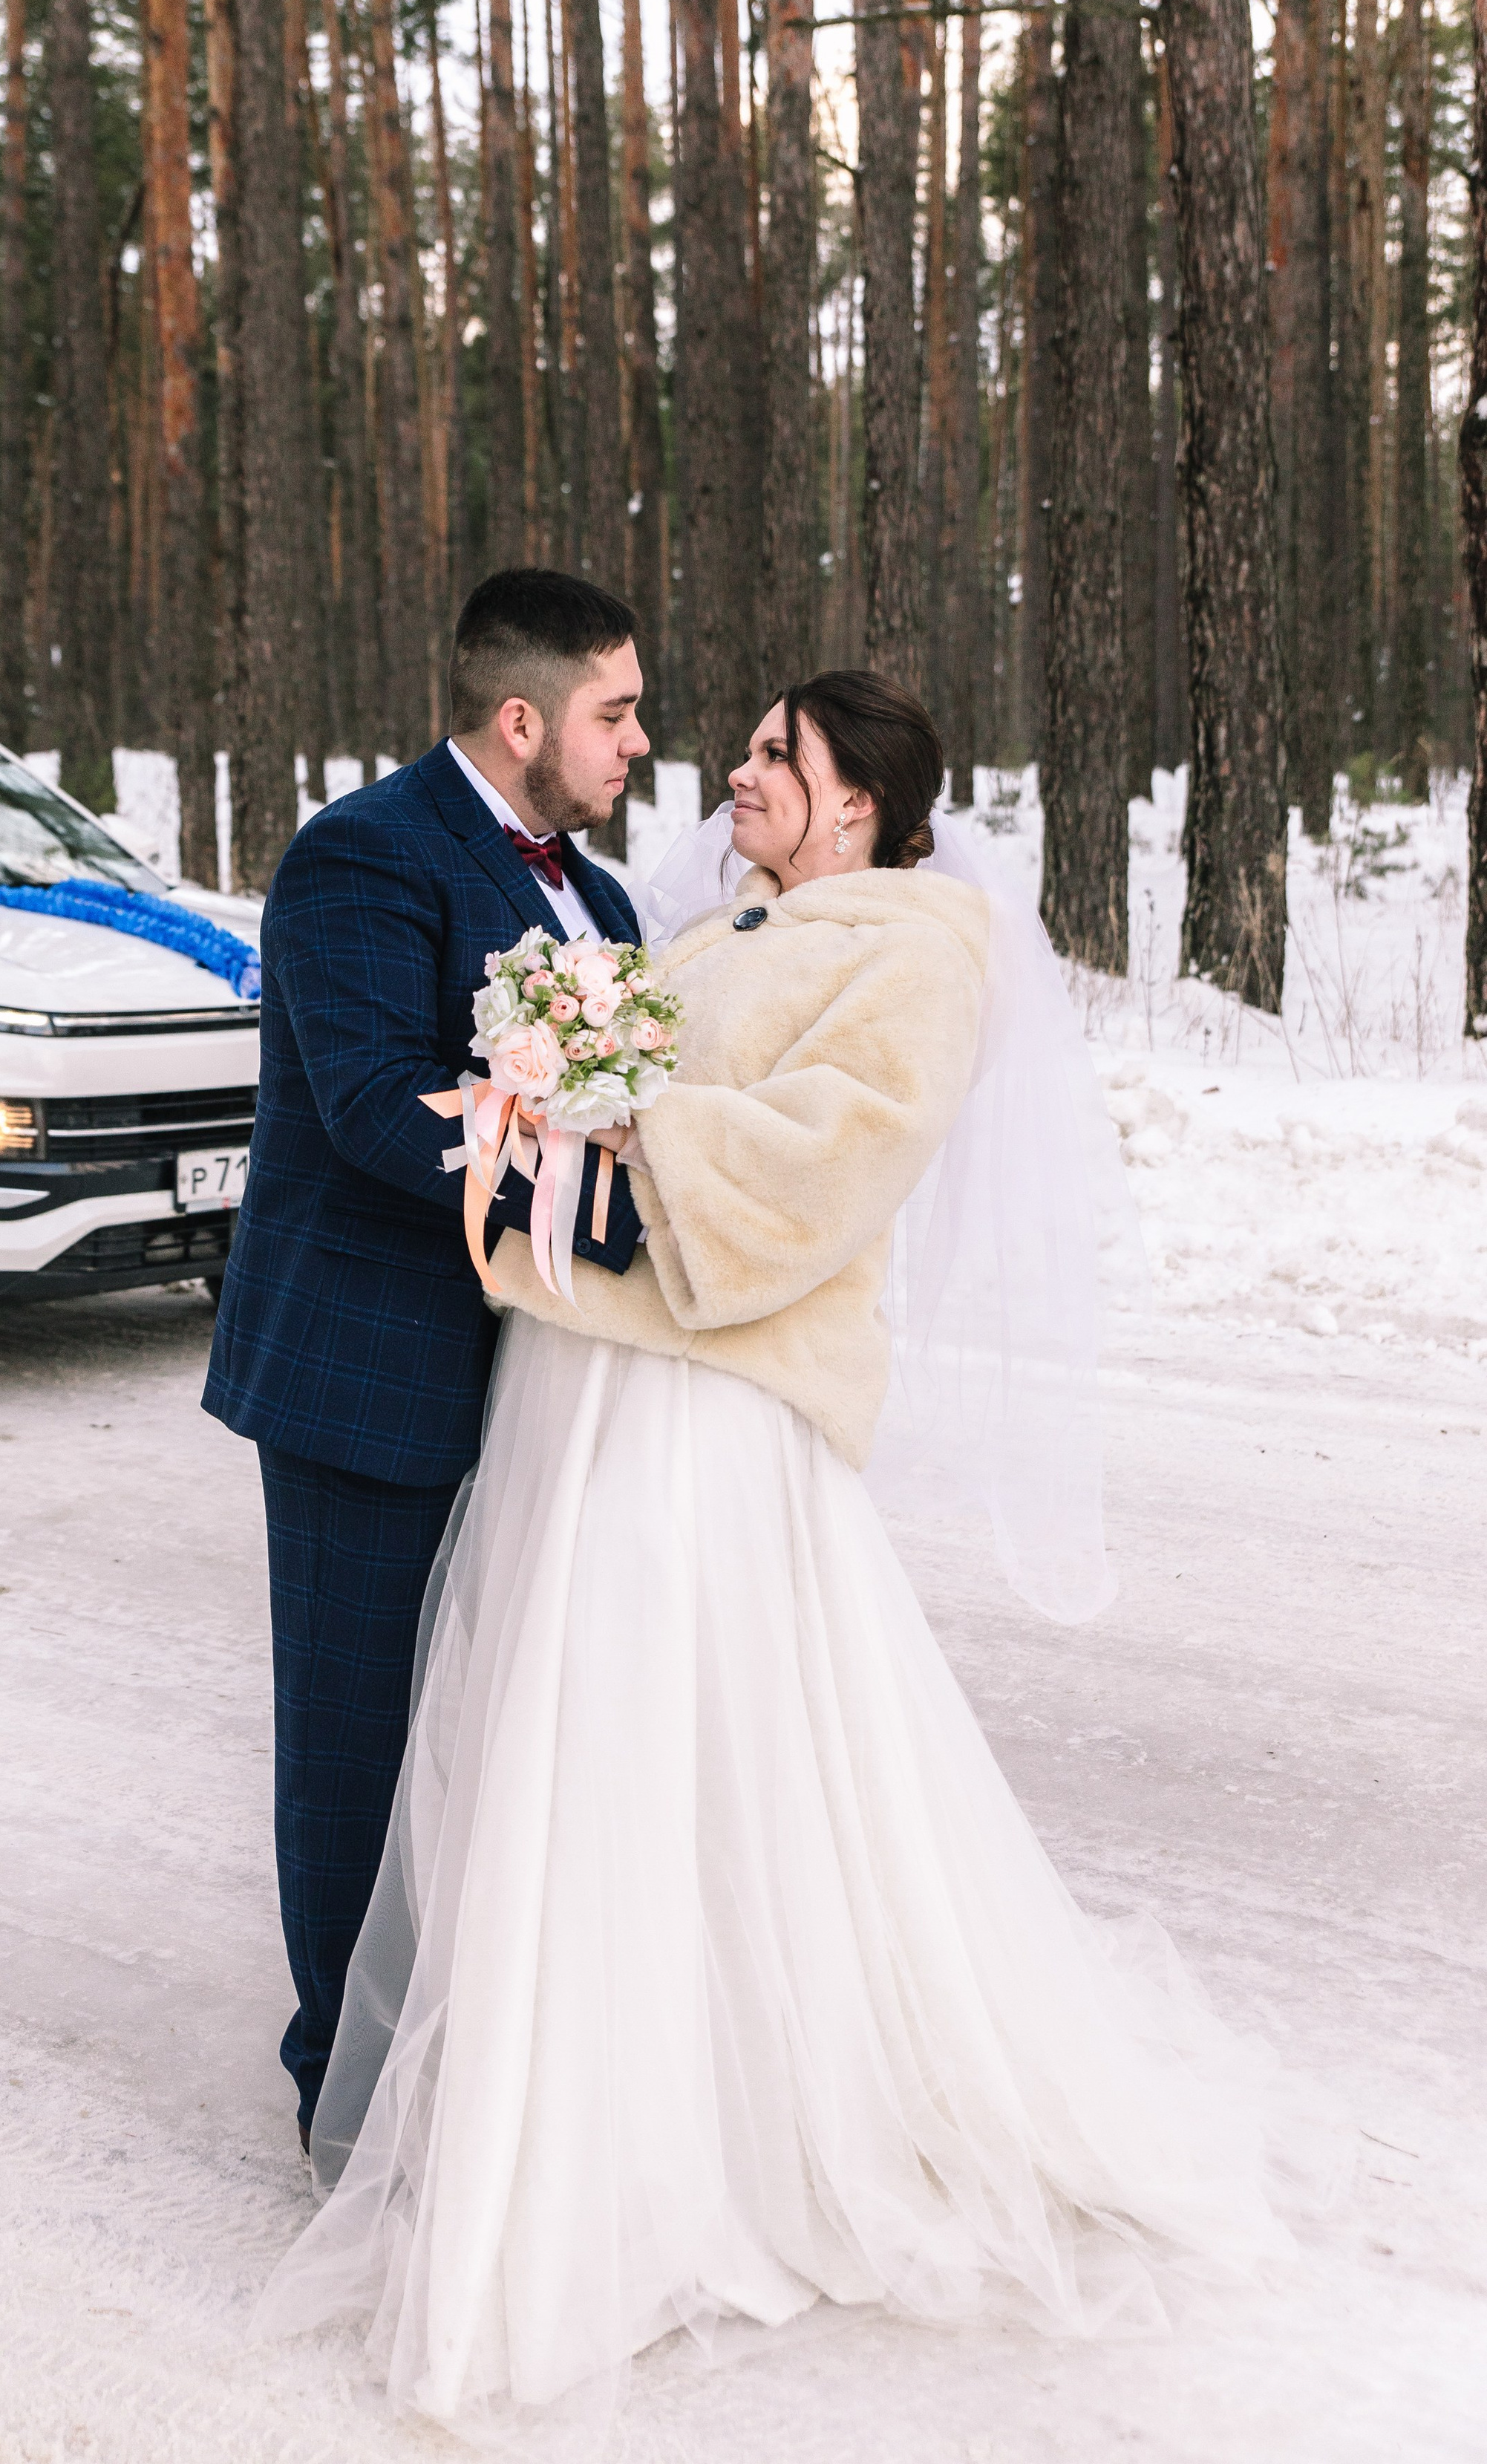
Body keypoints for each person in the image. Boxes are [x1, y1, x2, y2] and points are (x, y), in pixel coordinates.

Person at [252, 671, 1298, 2428]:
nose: (729, 774)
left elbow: (830, 1158)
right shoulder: (730, 921)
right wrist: (546, 1092)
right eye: (734, 747)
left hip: (705, 1409)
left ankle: (688, 2139)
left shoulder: (917, 951)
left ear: (860, 807)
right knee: (554, 1751)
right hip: (584, 1385)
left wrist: (600, 1123)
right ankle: (548, 2104)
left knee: (672, 1749)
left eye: (771, 758)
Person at [204, 569, 651, 2151]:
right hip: (361, 1370)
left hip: (530, 1389)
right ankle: (342, 2085)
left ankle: (462, 2039)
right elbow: (377, 1106)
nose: (636, 743)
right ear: (519, 719)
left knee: (482, 1732)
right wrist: (611, 1213)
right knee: (353, 1738)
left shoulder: (595, 902)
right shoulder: (358, 856)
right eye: (612, 714)